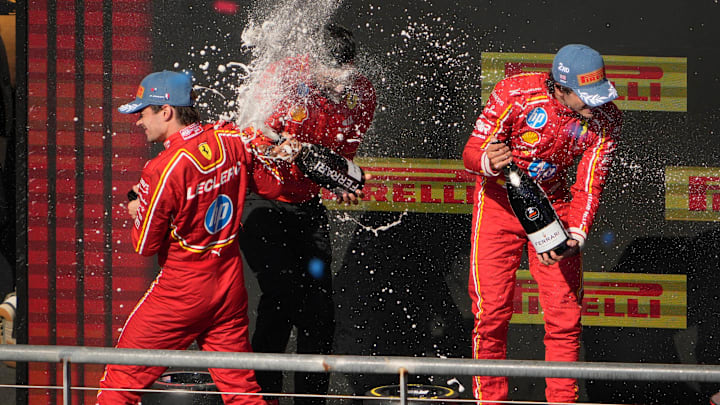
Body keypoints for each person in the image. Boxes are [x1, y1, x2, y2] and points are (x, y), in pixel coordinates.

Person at [97, 70, 298, 404]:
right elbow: (274, 187)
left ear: (166, 111)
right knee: (242, 392)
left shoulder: (162, 167)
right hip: (228, 288)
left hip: (182, 292)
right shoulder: (231, 137)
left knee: (117, 384)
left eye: (142, 112)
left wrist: (138, 209)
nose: (138, 121)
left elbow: (144, 243)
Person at [462, 44, 623, 404]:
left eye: (599, 95)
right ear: (560, 88)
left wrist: (577, 235)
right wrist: (488, 160)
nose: (595, 105)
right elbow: (471, 152)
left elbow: (589, 183)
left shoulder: (607, 118)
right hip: (499, 204)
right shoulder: (514, 93)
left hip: (555, 207)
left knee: (565, 317)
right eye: (586, 97)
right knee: (491, 314)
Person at [238, 24, 376, 405]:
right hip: (262, 203)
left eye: (344, 77)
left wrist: (341, 183)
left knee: (320, 313)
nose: (339, 86)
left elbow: (340, 159)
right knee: (281, 297)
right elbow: (250, 130)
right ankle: (263, 398)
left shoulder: (361, 94)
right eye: (331, 78)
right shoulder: (283, 76)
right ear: (313, 63)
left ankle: (311, 400)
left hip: (308, 209)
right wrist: (278, 145)